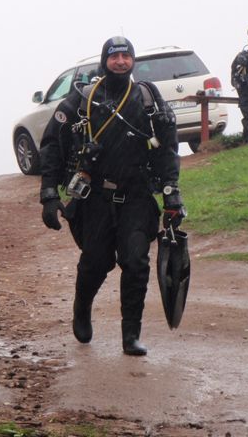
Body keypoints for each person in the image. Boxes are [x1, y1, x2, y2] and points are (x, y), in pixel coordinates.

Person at [38, 36, 183, 356]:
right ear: (105, 61)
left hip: (136, 197)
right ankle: (81, 308)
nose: (120, 61)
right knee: (97, 261)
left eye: (126, 56)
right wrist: (49, 194)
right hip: (94, 199)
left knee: (136, 262)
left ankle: (130, 336)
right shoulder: (82, 99)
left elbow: (168, 150)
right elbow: (51, 144)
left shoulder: (148, 98)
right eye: (114, 56)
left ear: (133, 61)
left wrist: (173, 197)